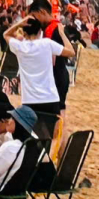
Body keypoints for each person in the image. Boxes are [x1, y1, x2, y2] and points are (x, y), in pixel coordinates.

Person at [6, 16, 66, 146]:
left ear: (25, 32)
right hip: (50, 98)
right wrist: (61, 33)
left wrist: (20, 23)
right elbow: (71, 52)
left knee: (30, 139)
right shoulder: (47, 43)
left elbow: (6, 34)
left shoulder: (20, 46)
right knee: (53, 138)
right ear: (40, 32)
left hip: (30, 100)